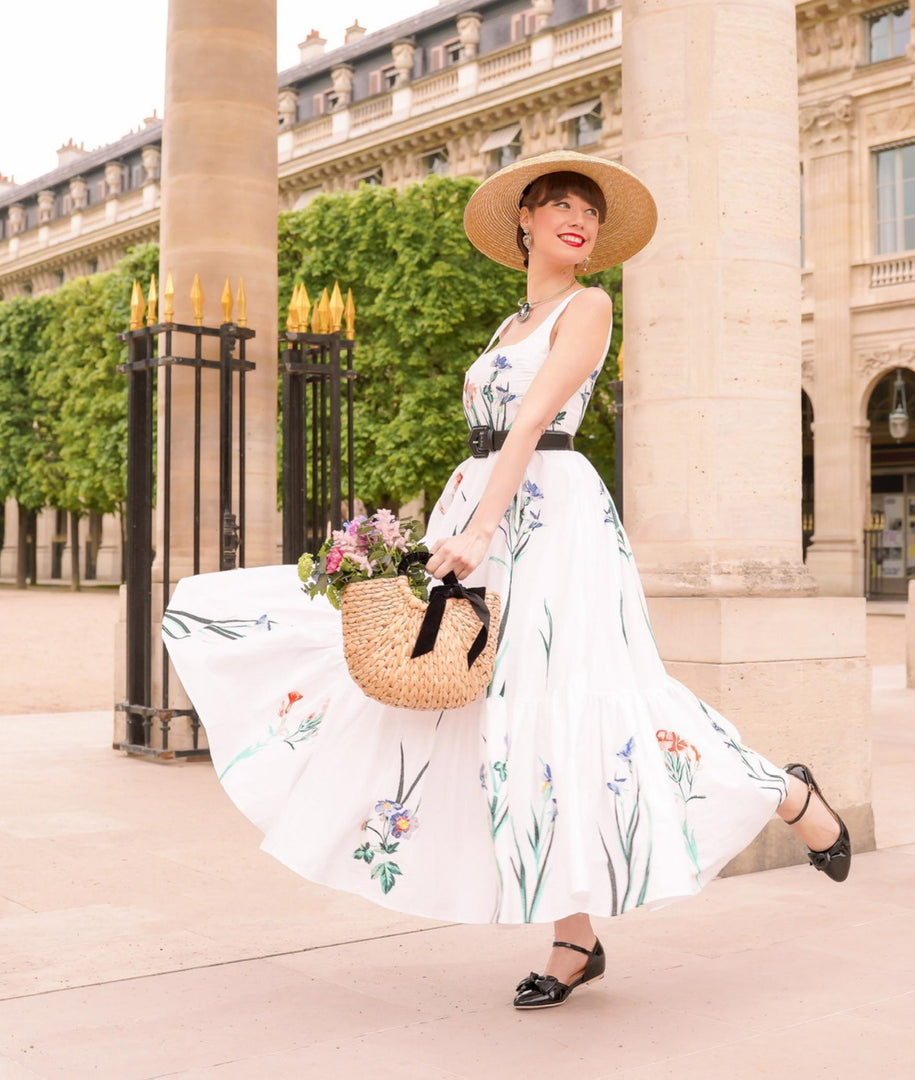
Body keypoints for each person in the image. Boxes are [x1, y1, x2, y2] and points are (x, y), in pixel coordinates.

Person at [163, 149, 850, 1013]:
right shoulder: (508, 324)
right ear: (525, 219)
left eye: (590, 211)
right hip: (484, 503)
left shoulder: (589, 306)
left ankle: (787, 793)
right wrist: (451, 523)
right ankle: (577, 938)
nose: (579, 219)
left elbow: (529, 423)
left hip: (550, 518)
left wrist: (483, 527)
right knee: (499, 714)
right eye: (561, 204)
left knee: (582, 702)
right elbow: (490, 438)